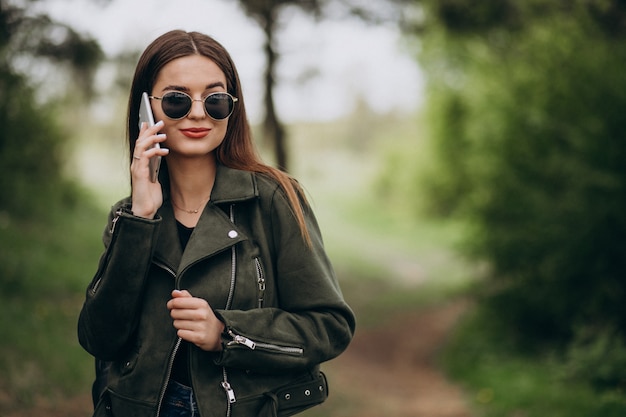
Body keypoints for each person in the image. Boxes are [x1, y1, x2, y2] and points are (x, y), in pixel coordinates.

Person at [77, 30, 355, 417]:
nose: (196, 112)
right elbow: (99, 338)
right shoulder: (129, 215)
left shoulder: (274, 199)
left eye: (215, 99)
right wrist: (140, 217)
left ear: (232, 106)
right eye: (176, 99)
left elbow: (329, 326)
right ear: (147, 108)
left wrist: (228, 333)